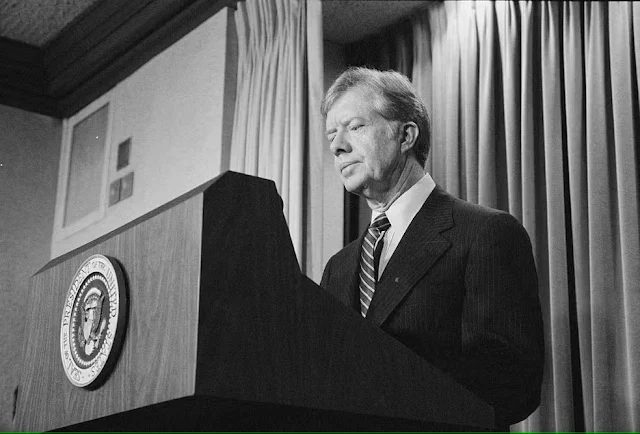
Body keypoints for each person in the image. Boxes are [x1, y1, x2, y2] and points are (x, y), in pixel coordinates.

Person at [320, 67, 544, 426]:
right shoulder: (339, 267)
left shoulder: (485, 233)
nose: (337, 145)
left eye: (355, 127)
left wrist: (393, 385)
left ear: (406, 135)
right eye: (332, 134)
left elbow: (513, 382)